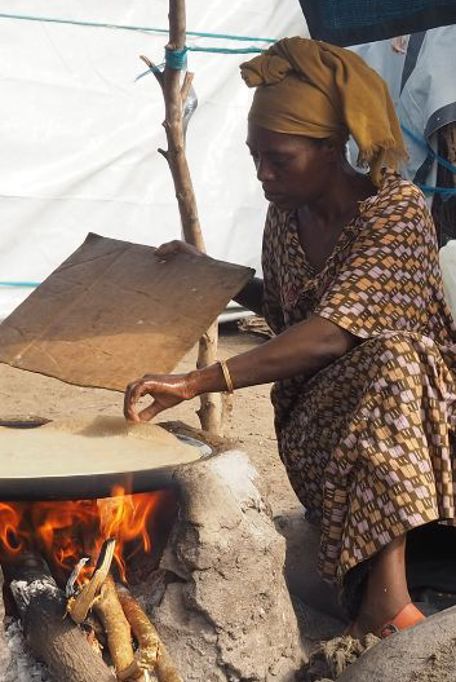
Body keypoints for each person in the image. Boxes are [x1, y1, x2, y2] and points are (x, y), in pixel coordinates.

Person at [123, 37, 456, 639]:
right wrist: (214, 275)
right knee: (386, 366)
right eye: (256, 157)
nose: (264, 174)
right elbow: (289, 315)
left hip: (424, 432)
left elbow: (332, 334)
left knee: (394, 359)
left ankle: (387, 594)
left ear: (332, 149)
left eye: (279, 159)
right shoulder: (286, 217)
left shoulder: (396, 211)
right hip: (316, 431)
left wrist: (196, 382)